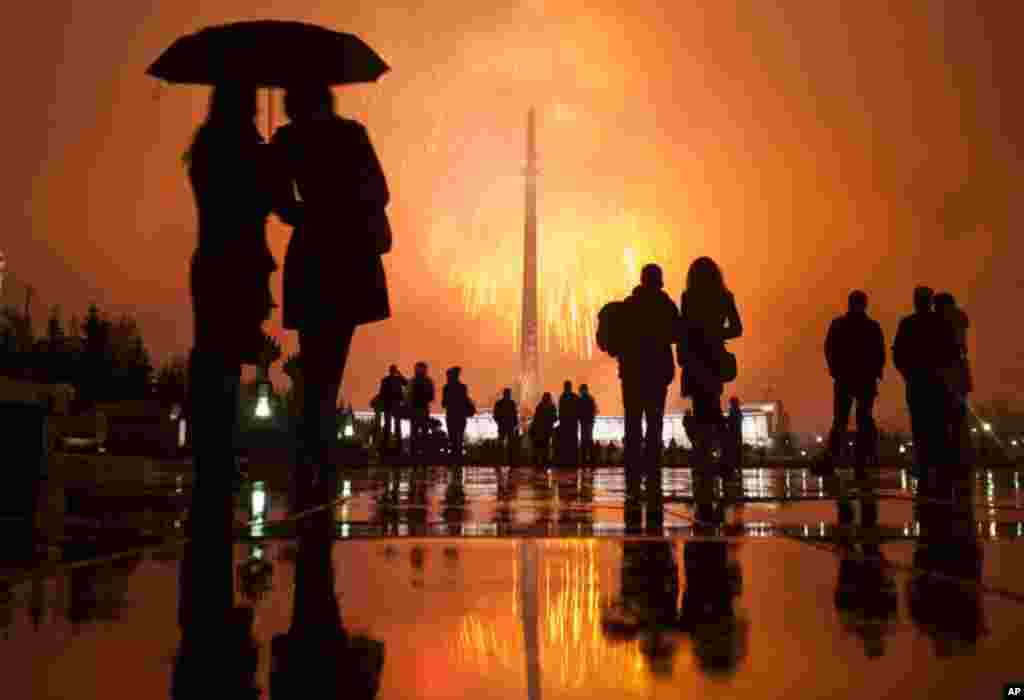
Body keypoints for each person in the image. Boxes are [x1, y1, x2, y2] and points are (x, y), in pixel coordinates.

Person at [182, 84, 299, 636]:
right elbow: (274, 202)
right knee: (223, 364)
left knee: (212, 360)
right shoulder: (243, 148)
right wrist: (272, 160)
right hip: (240, 262)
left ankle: (211, 459)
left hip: (212, 261)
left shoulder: (206, 144)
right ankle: (218, 458)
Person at [272, 83, 390, 502]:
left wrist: (310, 212)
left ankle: (309, 450)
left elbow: (281, 202)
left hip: (311, 251)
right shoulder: (352, 134)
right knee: (332, 356)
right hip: (349, 254)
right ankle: (318, 451)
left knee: (313, 358)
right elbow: (381, 192)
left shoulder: (287, 139)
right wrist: (348, 207)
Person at [616, 264, 680, 501]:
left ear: (642, 280)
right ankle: (652, 469)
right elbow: (677, 333)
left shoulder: (629, 304)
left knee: (632, 423)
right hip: (657, 373)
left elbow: (618, 339)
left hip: (632, 373)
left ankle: (632, 470)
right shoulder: (666, 305)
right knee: (654, 422)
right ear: (659, 281)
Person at [677, 257, 742, 480]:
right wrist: (716, 333)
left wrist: (684, 355)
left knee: (703, 412)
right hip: (714, 359)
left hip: (696, 359)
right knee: (713, 409)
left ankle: (707, 461)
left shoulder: (688, 297)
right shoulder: (725, 297)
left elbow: (683, 329)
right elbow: (737, 328)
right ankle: (724, 459)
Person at [892, 287, 959, 484]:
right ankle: (941, 466)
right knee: (938, 424)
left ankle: (925, 465)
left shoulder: (908, 323)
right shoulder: (941, 323)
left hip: (917, 381)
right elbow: (952, 352)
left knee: (920, 425)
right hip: (937, 382)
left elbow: (898, 353)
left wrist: (907, 373)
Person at [821, 290, 886, 479]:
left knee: (841, 420)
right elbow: (879, 353)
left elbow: (829, 349)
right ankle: (860, 462)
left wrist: (835, 370)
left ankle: (832, 460)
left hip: (846, 378)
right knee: (863, 420)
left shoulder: (839, 324)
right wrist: (875, 374)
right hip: (863, 379)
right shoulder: (872, 327)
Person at [934, 292, 973, 467]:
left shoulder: (941, 321)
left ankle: (949, 458)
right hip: (959, 373)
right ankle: (962, 457)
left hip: (946, 373)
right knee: (959, 419)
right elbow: (963, 347)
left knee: (944, 418)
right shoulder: (960, 319)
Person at [442, 366, 473, 460]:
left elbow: (444, 403)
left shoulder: (446, 388)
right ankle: (458, 456)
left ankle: (454, 456)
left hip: (451, 415)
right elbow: (465, 400)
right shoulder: (462, 387)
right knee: (459, 435)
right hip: (460, 415)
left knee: (453, 435)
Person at [378, 365, 407, 455]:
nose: (393, 372)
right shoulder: (387, 380)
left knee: (394, 426)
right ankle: (390, 446)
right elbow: (382, 393)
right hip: (391, 405)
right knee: (391, 426)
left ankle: (394, 446)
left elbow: (406, 383)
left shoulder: (391, 380)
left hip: (394, 405)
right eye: (394, 370)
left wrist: (400, 375)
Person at [408, 362, 435, 457]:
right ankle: (422, 455)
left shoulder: (413, 381)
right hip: (421, 410)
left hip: (417, 410)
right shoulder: (428, 381)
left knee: (416, 433)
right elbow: (431, 397)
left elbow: (408, 396)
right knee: (422, 433)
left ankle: (415, 455)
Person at [556, 380, 581, 466]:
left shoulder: (562, 397)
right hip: (573, 423)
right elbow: (578, 409)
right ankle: (573, 461)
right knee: (572, 442)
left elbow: (560, 410)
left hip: (565, 424)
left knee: (566, 443)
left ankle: (565, 461)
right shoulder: (575, 397)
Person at [529, 393, 558, 466]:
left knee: (538, 447)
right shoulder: (552, 407)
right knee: (545, 447)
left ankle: (536, 462)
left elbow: (536, 418)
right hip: (547, 430)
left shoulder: (539, 406)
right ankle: (544, 463)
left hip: (539, 430)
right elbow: (555, 418)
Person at [493, 388, 519, 464]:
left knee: (501, 444)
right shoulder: (512, 403)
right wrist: (515, 424)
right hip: (509, 426)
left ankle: (499, 460)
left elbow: (496, 415)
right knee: (510, 445)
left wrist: (499, 422)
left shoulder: (499, 403)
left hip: (503, 426)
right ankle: (511, 461)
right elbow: (515, 415)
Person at [578, 384, 598, 465]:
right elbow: (595, 410)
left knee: (585, 440)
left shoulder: (582, 399)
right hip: (589, 422)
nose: (580, 392)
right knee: (589, 439)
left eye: (580, 390)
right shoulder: (591, 398)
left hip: (585, 422)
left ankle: (584, 459)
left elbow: (579, 411)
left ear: (583, 390)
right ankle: (592, 459)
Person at [724, 397, 744, 476]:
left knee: (734, 451)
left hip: (734, 434)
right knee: (735, 452)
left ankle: (735, 468)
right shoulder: (737, 411)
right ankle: (736, 468)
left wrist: (724, 419)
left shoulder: (735, 411)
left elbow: (731, 421)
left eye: (731, 402)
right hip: (736, 434)